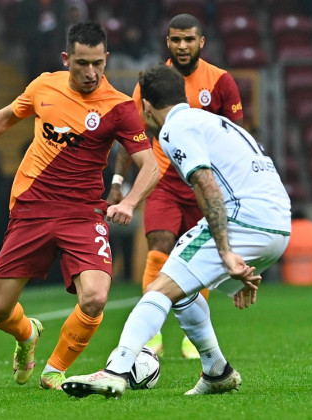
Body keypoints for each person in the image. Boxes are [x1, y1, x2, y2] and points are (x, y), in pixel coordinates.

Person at [0, 21, 159, 391]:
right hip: (31, 207)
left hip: (83, 213)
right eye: (81, 64)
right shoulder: (44, 85)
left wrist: (131, 201)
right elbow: (8, 116)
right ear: (66, 59)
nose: (90, 73)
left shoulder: (120, 108)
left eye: (97, 64)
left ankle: (54, 370)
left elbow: (149, 164)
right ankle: (27, 335)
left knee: (95, 297)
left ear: (106, 59)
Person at [61, 63, 290, 398]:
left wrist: (226, 251)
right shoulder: (212, 120)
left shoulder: (175, 129)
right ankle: (216, 371)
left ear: (148, 107)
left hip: (245, 217)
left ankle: (116, 370)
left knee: (159, 288)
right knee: (183, 289)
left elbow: (205, 183)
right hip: (279, 223)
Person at [108, 13, 244, 359]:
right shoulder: (152, 81)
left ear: (202, 42)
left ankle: (192, 337)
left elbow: (235, 138)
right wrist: (119, 181)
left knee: (202, 258)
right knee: (159, 246)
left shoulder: (220, 81)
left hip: (202, 182)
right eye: (175, 40)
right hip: (164, 181)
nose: (182, 46)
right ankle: (151, 336)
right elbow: (133, 136)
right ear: (167, 42)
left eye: (189, 39)